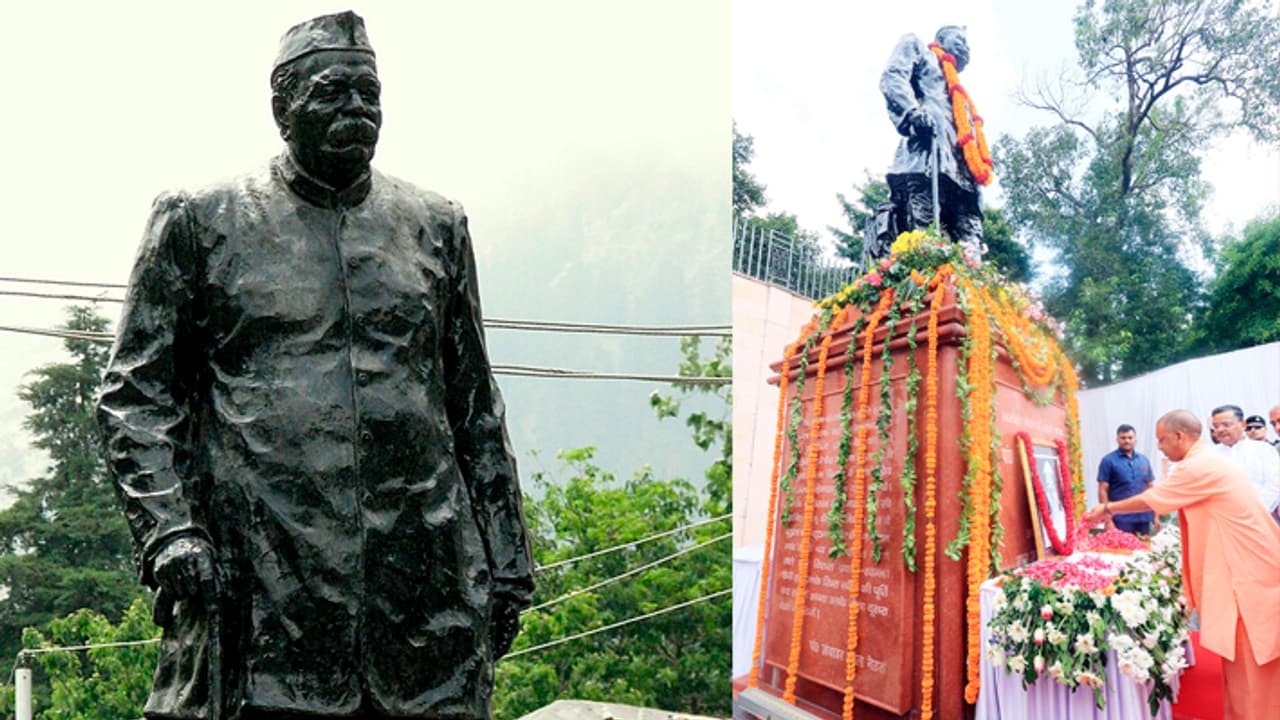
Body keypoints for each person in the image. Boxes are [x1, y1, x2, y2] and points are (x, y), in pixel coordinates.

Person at [96, 11, 533, 719]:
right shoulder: (201, 221)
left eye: (370, 95)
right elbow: (133, 397)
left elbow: (474, 406)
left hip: (424, 600)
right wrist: (170, 529)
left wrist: (510, 560)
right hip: (264, 593)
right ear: (282, 106)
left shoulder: (437, 226)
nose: (356, 110)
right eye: (333, 92)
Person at [1082, 410, 1280, 719]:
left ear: (1179, 436)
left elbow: (1155, 498)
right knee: (1244, 669)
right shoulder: (1205, 461)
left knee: (1255, 665)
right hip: (1251, 570)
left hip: (1249, 577)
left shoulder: (1199, 465)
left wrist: (1106, 508)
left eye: (1161, 439)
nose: (1158, 446)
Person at [879, 25, 986, 252]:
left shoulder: (962, 97)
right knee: (926, 226)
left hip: (963, 167)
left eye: (968, 44)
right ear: (940, 38)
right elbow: (893, 77)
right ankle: (927, 278)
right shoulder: (917, 47)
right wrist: (912, 112)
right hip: (929, 152)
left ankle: (973, 284)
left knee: (971, 235)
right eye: (960, 39)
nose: (965, 47)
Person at [1210, 404, 1280, 520]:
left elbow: (1275, 485)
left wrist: (1256, 512)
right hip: (1225, 520)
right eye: (1216, 426)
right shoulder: (1210, 455)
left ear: (1242, 425)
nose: (1220, 430)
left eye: (1226, 425)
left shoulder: (1263, 450)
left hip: (1262, 518)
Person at [1095, 424, 1156, 535]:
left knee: (1143, 550)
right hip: (1120, 519)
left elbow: (1151, 488)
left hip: (1144, 518)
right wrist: (1107, 519)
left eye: (1130, 437)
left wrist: (1156, 516)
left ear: (1135, 439)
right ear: (1117, 439)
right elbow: (1102, 490)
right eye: (1123, 438)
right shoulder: (1108, 461)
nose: (1126, 441)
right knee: (1122, 551)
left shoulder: (1144, 460)